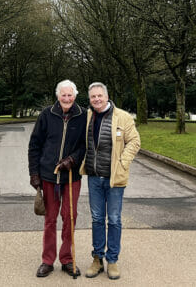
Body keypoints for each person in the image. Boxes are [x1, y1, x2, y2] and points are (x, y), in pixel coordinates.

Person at [79, 82, 141, 280]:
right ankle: (97, 258)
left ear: (106, 96)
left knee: (114, 219)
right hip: (94, 177)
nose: (96, 99)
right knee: (97, 219)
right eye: (93, 96)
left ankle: (112, 260)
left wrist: (123, 162)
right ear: (90, 99)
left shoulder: (122, 117)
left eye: (100, 95)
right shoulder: (87, 116)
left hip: (114, 178)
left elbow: (135, 141)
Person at [27, 79, 87, 278]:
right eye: (63, 95)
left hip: (71, 176)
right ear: (58, 96)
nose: (67, 98)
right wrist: (34, 173)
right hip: (48, 176)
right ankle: (47, 260)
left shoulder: (83, 115)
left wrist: (73, 159)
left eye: (70, 95)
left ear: (75, 96)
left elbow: (85, 145)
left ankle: (67, 259)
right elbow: (34, 145)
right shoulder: (46, 114)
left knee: (70, 217)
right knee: (50, 219)